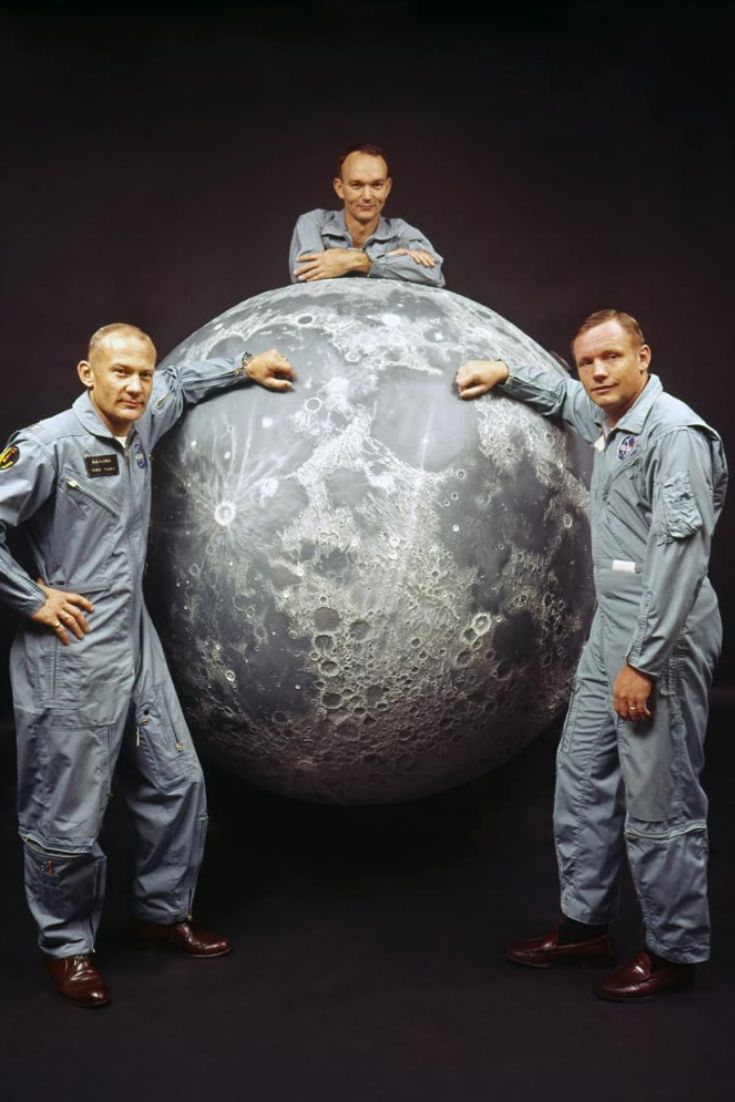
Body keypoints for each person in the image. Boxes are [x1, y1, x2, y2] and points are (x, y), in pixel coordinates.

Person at [0, 323, 296, 1008]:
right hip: (69, 651)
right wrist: (31, 598)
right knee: (66, 816)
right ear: (87, 373)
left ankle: (161, 914)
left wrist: (247, 364)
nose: (135, 386)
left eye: (143, 373)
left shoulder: (145, 415)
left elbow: (184, 383)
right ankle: (67, 946)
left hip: (135, 640)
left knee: (177, 781)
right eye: (120, 373)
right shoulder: (47, 445)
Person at [455, 309, 727, 1002]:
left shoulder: (675, 436)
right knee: (581, 775)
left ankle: (672, 951)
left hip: (658, 636)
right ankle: (583, 927)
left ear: (644, 356)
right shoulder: (611, 418)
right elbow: (564, 399)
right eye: (587, 362)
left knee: (659, 797)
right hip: (613, 630)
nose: (598, 372)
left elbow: (678, 560)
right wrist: (506, 376)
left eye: (611, 357)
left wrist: (645, 662)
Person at [289, 143, 445, 288]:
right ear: (339, 188)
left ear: (387, 188)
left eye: (377, 185)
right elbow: (304, 273)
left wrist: (358, 261)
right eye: (356, 185)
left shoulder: (400, 232)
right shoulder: (313, 223)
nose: (367, 196)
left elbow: (434, 273)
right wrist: (387, 260)